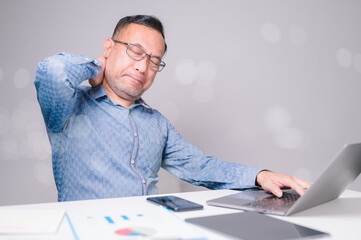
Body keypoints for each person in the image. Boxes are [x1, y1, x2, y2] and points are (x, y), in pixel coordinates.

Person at [34, 15, 310, 202]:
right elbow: (52, 71)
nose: (143, 66)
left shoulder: (157, 123)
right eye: (134, 51)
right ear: (109, 47)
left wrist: (260, 175)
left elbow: (201, 167)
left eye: (154, 61)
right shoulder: (69, 107)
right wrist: (95, 66)